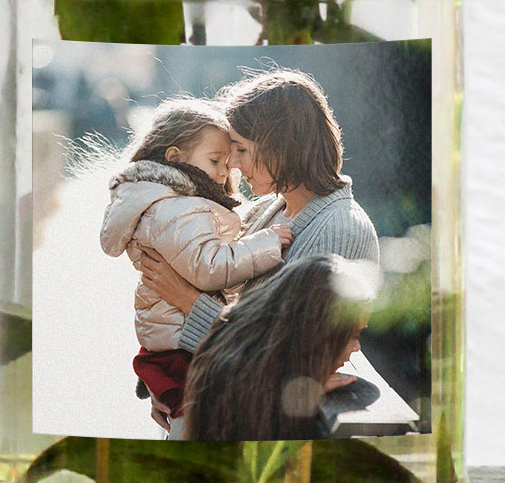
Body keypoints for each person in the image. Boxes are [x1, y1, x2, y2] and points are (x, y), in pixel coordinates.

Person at [130, 67, 381, 361]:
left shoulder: (339, 230)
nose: (233, 164)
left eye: (242, 150)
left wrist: (186, 299)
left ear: (281, 147)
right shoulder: (267, 210)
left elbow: (281, 355)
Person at [97, 97, 291, 429]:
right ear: (175, 157)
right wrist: (267, 243)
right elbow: (210, 268)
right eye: (216, 161)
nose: (223, 173)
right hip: (182, 344)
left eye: (227, 164)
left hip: (171, 339)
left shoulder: (164, 200)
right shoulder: (179, 208)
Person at [184, 254, 379, 441]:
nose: (357, 347)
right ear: (316, 330)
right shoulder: (235, 372)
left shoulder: (239, 344)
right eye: (352, 334)